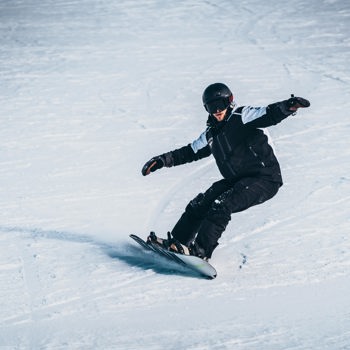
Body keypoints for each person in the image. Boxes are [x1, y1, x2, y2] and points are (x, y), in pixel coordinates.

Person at [141, 83, 310, 260]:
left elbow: (269, 113)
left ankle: (201, 252)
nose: (216, 111)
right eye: (211, 107)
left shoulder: (242, 116)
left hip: (264, 178)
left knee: (222, 205)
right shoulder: (211, 134)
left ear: (229, 102)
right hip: (237, 180)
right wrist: (161, 161)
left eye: (220, 105)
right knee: (200, 204)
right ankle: (177, 243)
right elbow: (190, 152)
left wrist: (289, 106)